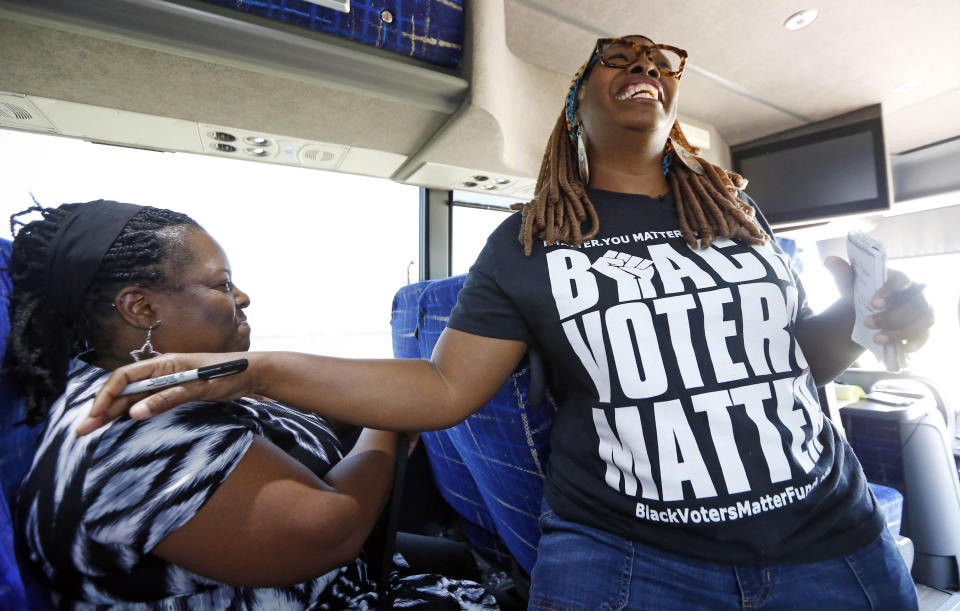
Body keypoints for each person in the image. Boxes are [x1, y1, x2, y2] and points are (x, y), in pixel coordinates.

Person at [81, 35, 933, 609]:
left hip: (838, 541)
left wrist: (870, 318)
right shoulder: (532, 239)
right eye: (616, 59)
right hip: (632, 558)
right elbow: (446, 384)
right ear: (574, 107)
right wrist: (260, 368)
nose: (645, 65)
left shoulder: (744, 219)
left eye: (660, 60)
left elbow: (786, 362)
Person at [6, 200, 498, 609]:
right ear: (142, 308)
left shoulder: (161, 382)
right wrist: (390, 425)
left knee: (457, 559)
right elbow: (330, 534)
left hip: (347, 582)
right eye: (221, 283)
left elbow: (281, 416)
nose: (242, 296)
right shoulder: (128, 424)